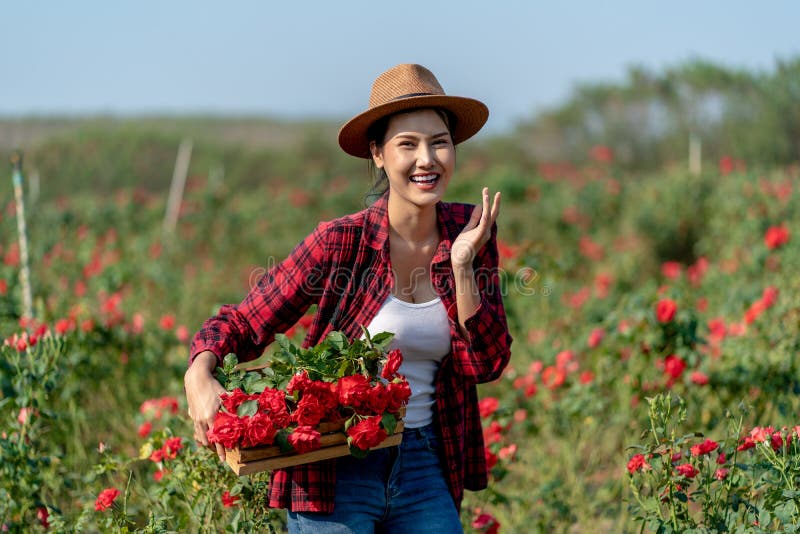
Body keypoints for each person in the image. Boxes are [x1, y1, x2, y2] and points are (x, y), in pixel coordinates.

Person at [185, 63, 513, 533]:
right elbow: (245, 322)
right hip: (337, 464)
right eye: (408, 144)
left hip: (424, 459)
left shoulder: (470, 231)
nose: (427, 159)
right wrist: (198, 373)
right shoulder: (342, 242)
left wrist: (462, 267)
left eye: (439, 142)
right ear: (378, 154)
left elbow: (486, 364)